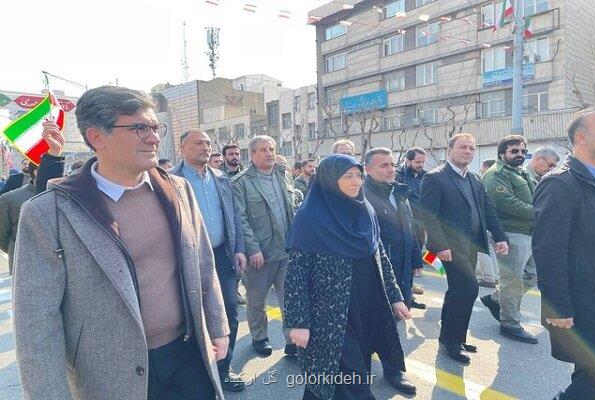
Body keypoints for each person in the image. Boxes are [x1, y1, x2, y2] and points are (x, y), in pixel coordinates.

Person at [12, 86, 229, 400]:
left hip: (189, 356)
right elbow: (36, 324)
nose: (154, 138)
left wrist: (217, 325)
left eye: (155, 127)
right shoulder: (50, 212)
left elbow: (203, 263)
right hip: (109, 376)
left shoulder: (178, 189)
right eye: (140, 128)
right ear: (97, 137)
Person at [284, 154, 413, 400]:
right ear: (330, 180)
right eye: (347, 177)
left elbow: (380, 257)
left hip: (366, 308)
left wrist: (395, 297)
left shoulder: (365, 210)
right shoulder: (310, 217)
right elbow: (296, 276)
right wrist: (299, 323)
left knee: (329, 381)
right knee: (351, 383)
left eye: (358, 176)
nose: (356, 182)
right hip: (330, 315)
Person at [420, 133, 508, 365]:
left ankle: (452, 336)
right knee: (469, 289)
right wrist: (440, 246)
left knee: (457, 291)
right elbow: (428, 216)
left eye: (471, 147)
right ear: (450, 149)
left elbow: (487, 209)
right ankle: (452, 342)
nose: (468, 151)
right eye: (462, 147)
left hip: (471, 244)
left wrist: (500, 237)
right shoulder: (435, 178)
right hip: (450, 247)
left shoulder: (475, 179)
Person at [171, 129, 248, 392]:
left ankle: (224, 368)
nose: (205, 147)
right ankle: (199, 368)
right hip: (187, 258)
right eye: (198, 143)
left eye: (207, 143)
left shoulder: (221, 178)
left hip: (222, 256)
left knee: (228, 313)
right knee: (193, 316)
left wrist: (238, 248)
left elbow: (234, 215)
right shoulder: (171, 180)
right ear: (182, 148)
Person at [533, 107, 595, 400]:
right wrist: (558, 305)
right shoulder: (560, 183)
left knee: (588, 368)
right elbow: (549, 250)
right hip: (583, 297)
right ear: (582, 137)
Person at [362, 148, 421, 395]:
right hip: (374, 271)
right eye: (383, 165)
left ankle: (393, 369)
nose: (389, 170)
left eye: (391, 165)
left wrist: (417, 259)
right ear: (368, 169)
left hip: (402, 268)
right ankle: (360, 370)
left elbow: (409, 229)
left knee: (394, 321)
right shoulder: (360, 194)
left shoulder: (399, 192)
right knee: (370, 321)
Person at [233, 135, 295, 357]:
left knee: (290, 299)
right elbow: (241, 219)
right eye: (263, 150)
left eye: (271, 149)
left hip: (286, 252)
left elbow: (291, 211)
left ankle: (292, 342)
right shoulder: (241, 183)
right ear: (252, 155)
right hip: (260, 254)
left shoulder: (283, 175)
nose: (269, 153)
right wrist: (253, 249)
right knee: (257, 300)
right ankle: (260, 337)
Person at [480, 135, 538, 344]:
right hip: (511, 234)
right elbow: (507, 203)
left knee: (531, 275)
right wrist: (539, 212)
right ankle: (510, 324)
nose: (520, 155)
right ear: (502, 153)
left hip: (529, 233)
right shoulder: (495, 174)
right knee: (512, 281)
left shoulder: (520, 173)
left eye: (523, 151)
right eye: (515, 151)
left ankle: (496, 299)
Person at [0, 119, 66, 274]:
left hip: (57, 268)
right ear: (36, 171)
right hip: (23, 268)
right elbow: (2, 236)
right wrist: (19, 250)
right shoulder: (9, 199)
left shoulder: (64, 194)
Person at [396, 147, 428, 297]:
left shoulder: (427, 176)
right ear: (407, 160)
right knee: (407, 257)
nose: (420, 165)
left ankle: (410, 287)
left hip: (423, 223)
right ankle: (405, 292)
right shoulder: (398, 176)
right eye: (417, 162)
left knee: (419, 255)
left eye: (423, 162)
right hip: (405, 223)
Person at [476, 159, 500, 288]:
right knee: (489, 250)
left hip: (483, 221)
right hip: (491, 222)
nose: (480, 169)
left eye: (482, 167)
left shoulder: (486, 179)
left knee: (483, 250)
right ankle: (494, 275)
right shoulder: (499, 178)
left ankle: (489, 277)